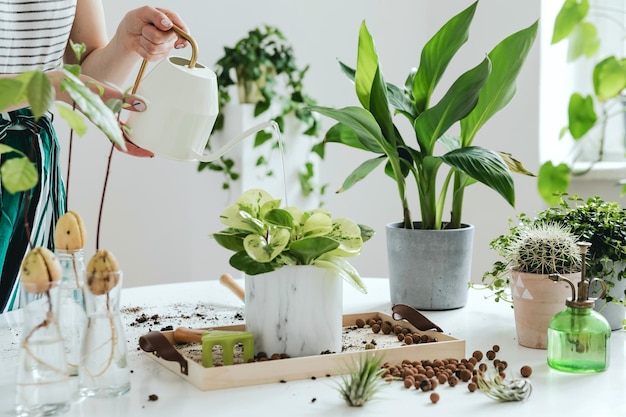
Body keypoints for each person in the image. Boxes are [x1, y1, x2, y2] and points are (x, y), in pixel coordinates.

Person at [0, 1, 189, 312]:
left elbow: (84, 69)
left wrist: (125, 43)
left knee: (30, 332)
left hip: (30, 169)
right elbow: (60, 83)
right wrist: (46, 85)